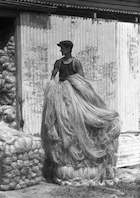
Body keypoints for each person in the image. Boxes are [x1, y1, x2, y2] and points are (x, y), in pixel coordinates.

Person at [41, 40, 120, 185]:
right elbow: (53, 77)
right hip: (62, 93)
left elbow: (82, 80)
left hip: (74, 92)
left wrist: (78, 88)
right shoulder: (58, 63)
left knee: (82, 117)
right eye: (60, 48)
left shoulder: (76, 63)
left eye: (62, 48)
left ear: (69, 49)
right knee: (63, 119)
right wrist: (53, 86)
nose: (60, 51)